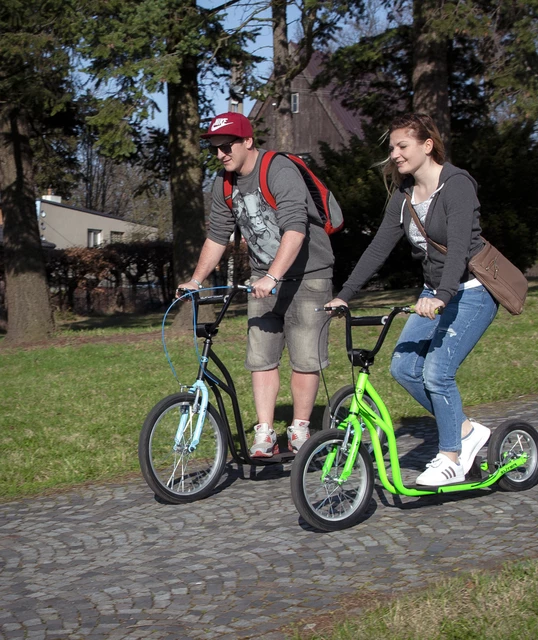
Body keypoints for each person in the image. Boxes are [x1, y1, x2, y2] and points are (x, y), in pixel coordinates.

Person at [328, 113, 498, 487]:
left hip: (471, 292)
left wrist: (441, 296)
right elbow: (377, 250)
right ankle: (467, 432)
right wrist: (343, 295)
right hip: (434, 293)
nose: (395, 154)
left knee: (438, 372)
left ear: (427, 145)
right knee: (403, 368)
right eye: (391, 148)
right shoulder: (403, 198)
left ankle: (452, 457)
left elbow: (456, 252)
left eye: (402, 146)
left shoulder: (456, 185)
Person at [177, 112, 334, 457]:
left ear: (248, 141)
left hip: (308, 276)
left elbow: (296, 228)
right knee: (261, 357)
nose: (221, 154)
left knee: (305, 358)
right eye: (215, 149)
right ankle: (265, 433)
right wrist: (196, 279)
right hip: (263, 279)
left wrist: (274, 276)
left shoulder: (277, 170)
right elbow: (217, 235)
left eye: (227, 145)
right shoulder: (224, 184)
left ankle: (300, 430)